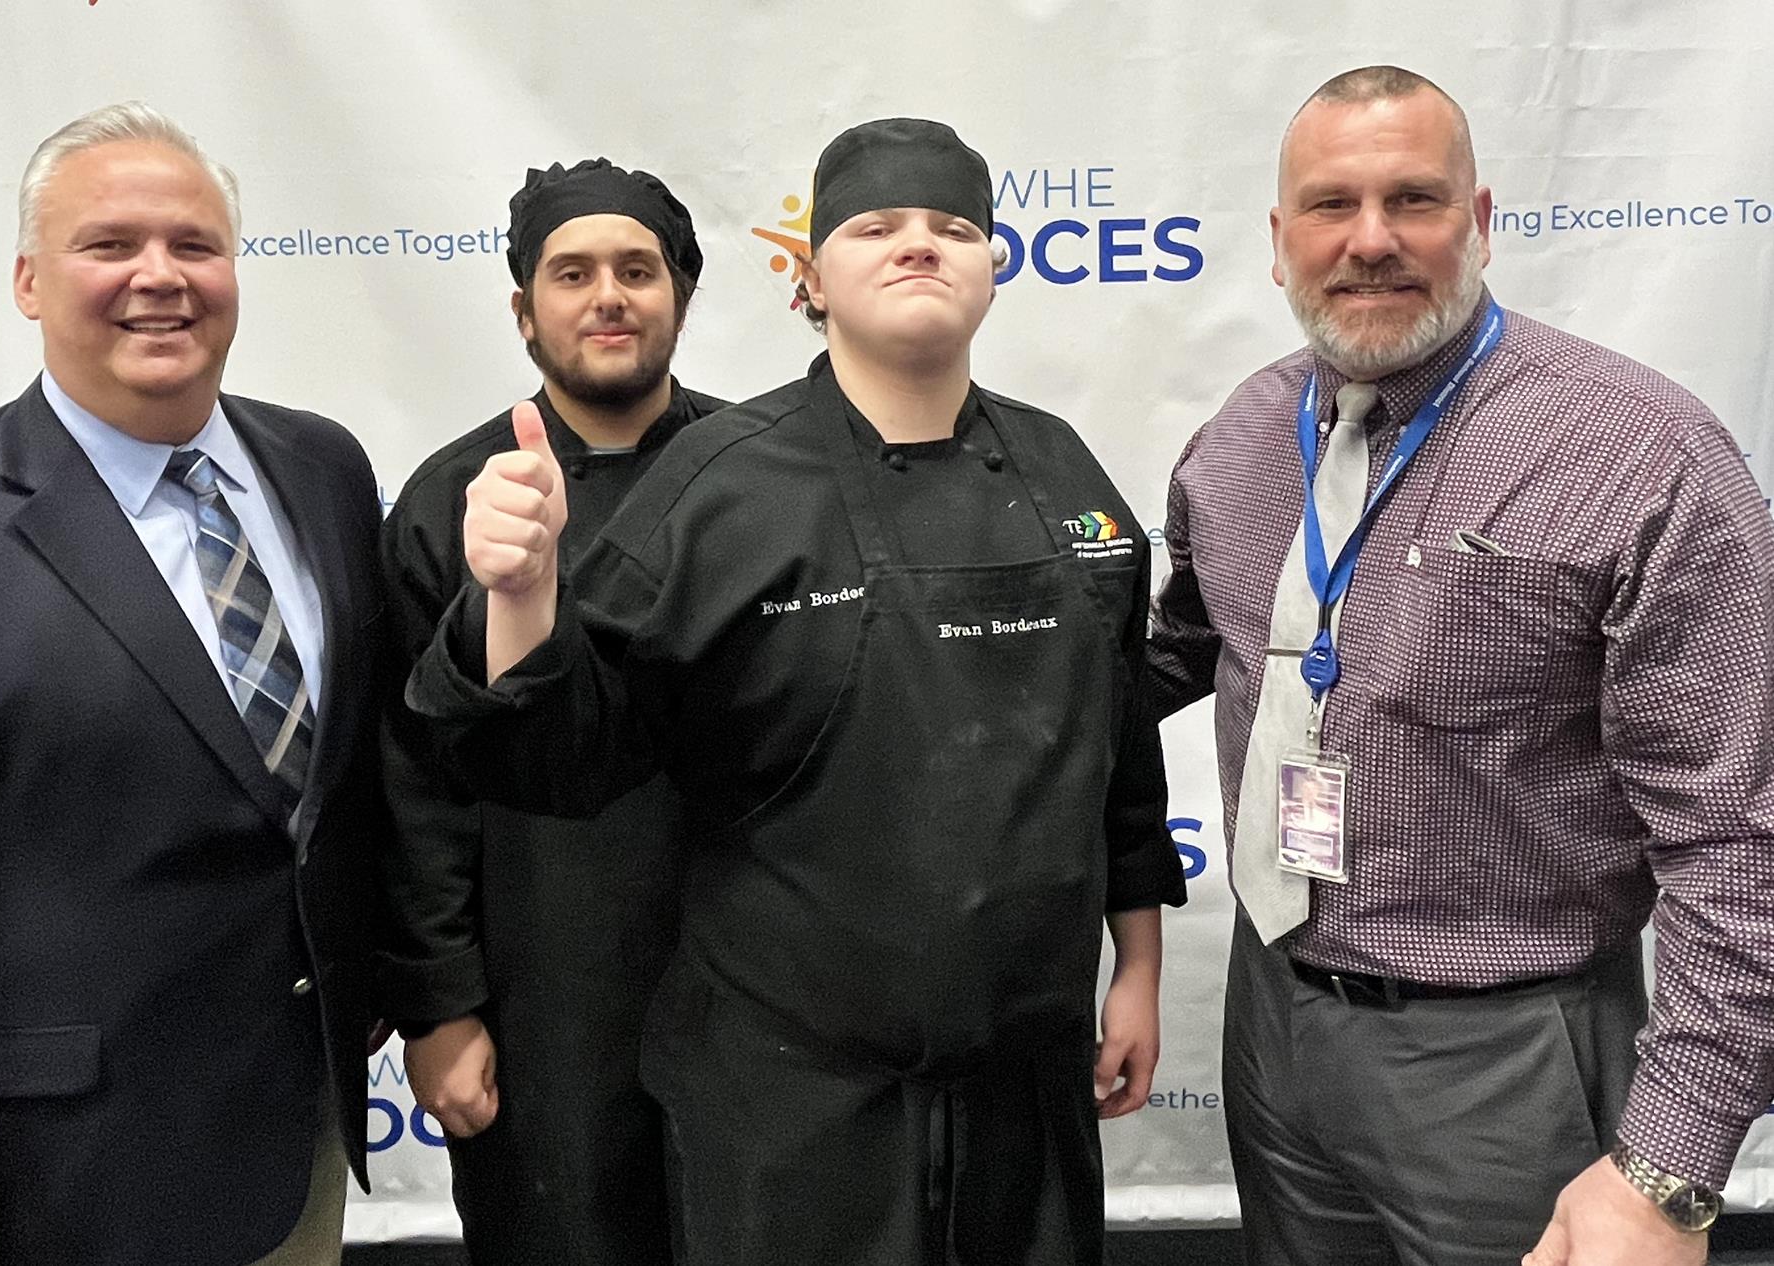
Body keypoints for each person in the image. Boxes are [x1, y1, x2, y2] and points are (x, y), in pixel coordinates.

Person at [408, 117, 1185, 1264]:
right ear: (810, 277)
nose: (919, 247)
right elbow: (560, 760)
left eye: (954, 227)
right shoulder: (720, 486)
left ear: (994, 266)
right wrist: (519, 595)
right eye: (877, 226)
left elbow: (1114, 753)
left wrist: (1140, 971)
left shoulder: (1066, 470)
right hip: (788, 1098)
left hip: (1026, 1080)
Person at [1147, 65, 1774, 1266]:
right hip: (1270, 1017)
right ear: (1278, 244)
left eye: (1414, 201)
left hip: (1504, 1055)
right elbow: (1172, 656)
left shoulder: (1642, 452)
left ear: (1479, 224)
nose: (1370, 241)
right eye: (1331, 206)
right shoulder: (1236, 441)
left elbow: (1739, 837)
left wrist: (1670, 1171)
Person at [0, 103, 389, 1266]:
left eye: (194, 245)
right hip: (58, 1180)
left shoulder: (323, 467)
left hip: (297, 1142)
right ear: (24, 281)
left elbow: (339, 788)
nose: (160, 276)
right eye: (108, 245)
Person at [376, 157, 727, 1264]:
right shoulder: (454, 497)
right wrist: (439, 1007)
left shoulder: (762, 474)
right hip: (544, 1008)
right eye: (572, 274)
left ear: (681, 292)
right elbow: (407, 774)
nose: (608, 296)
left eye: (638, 268)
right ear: (526, 310)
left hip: (755, 990)